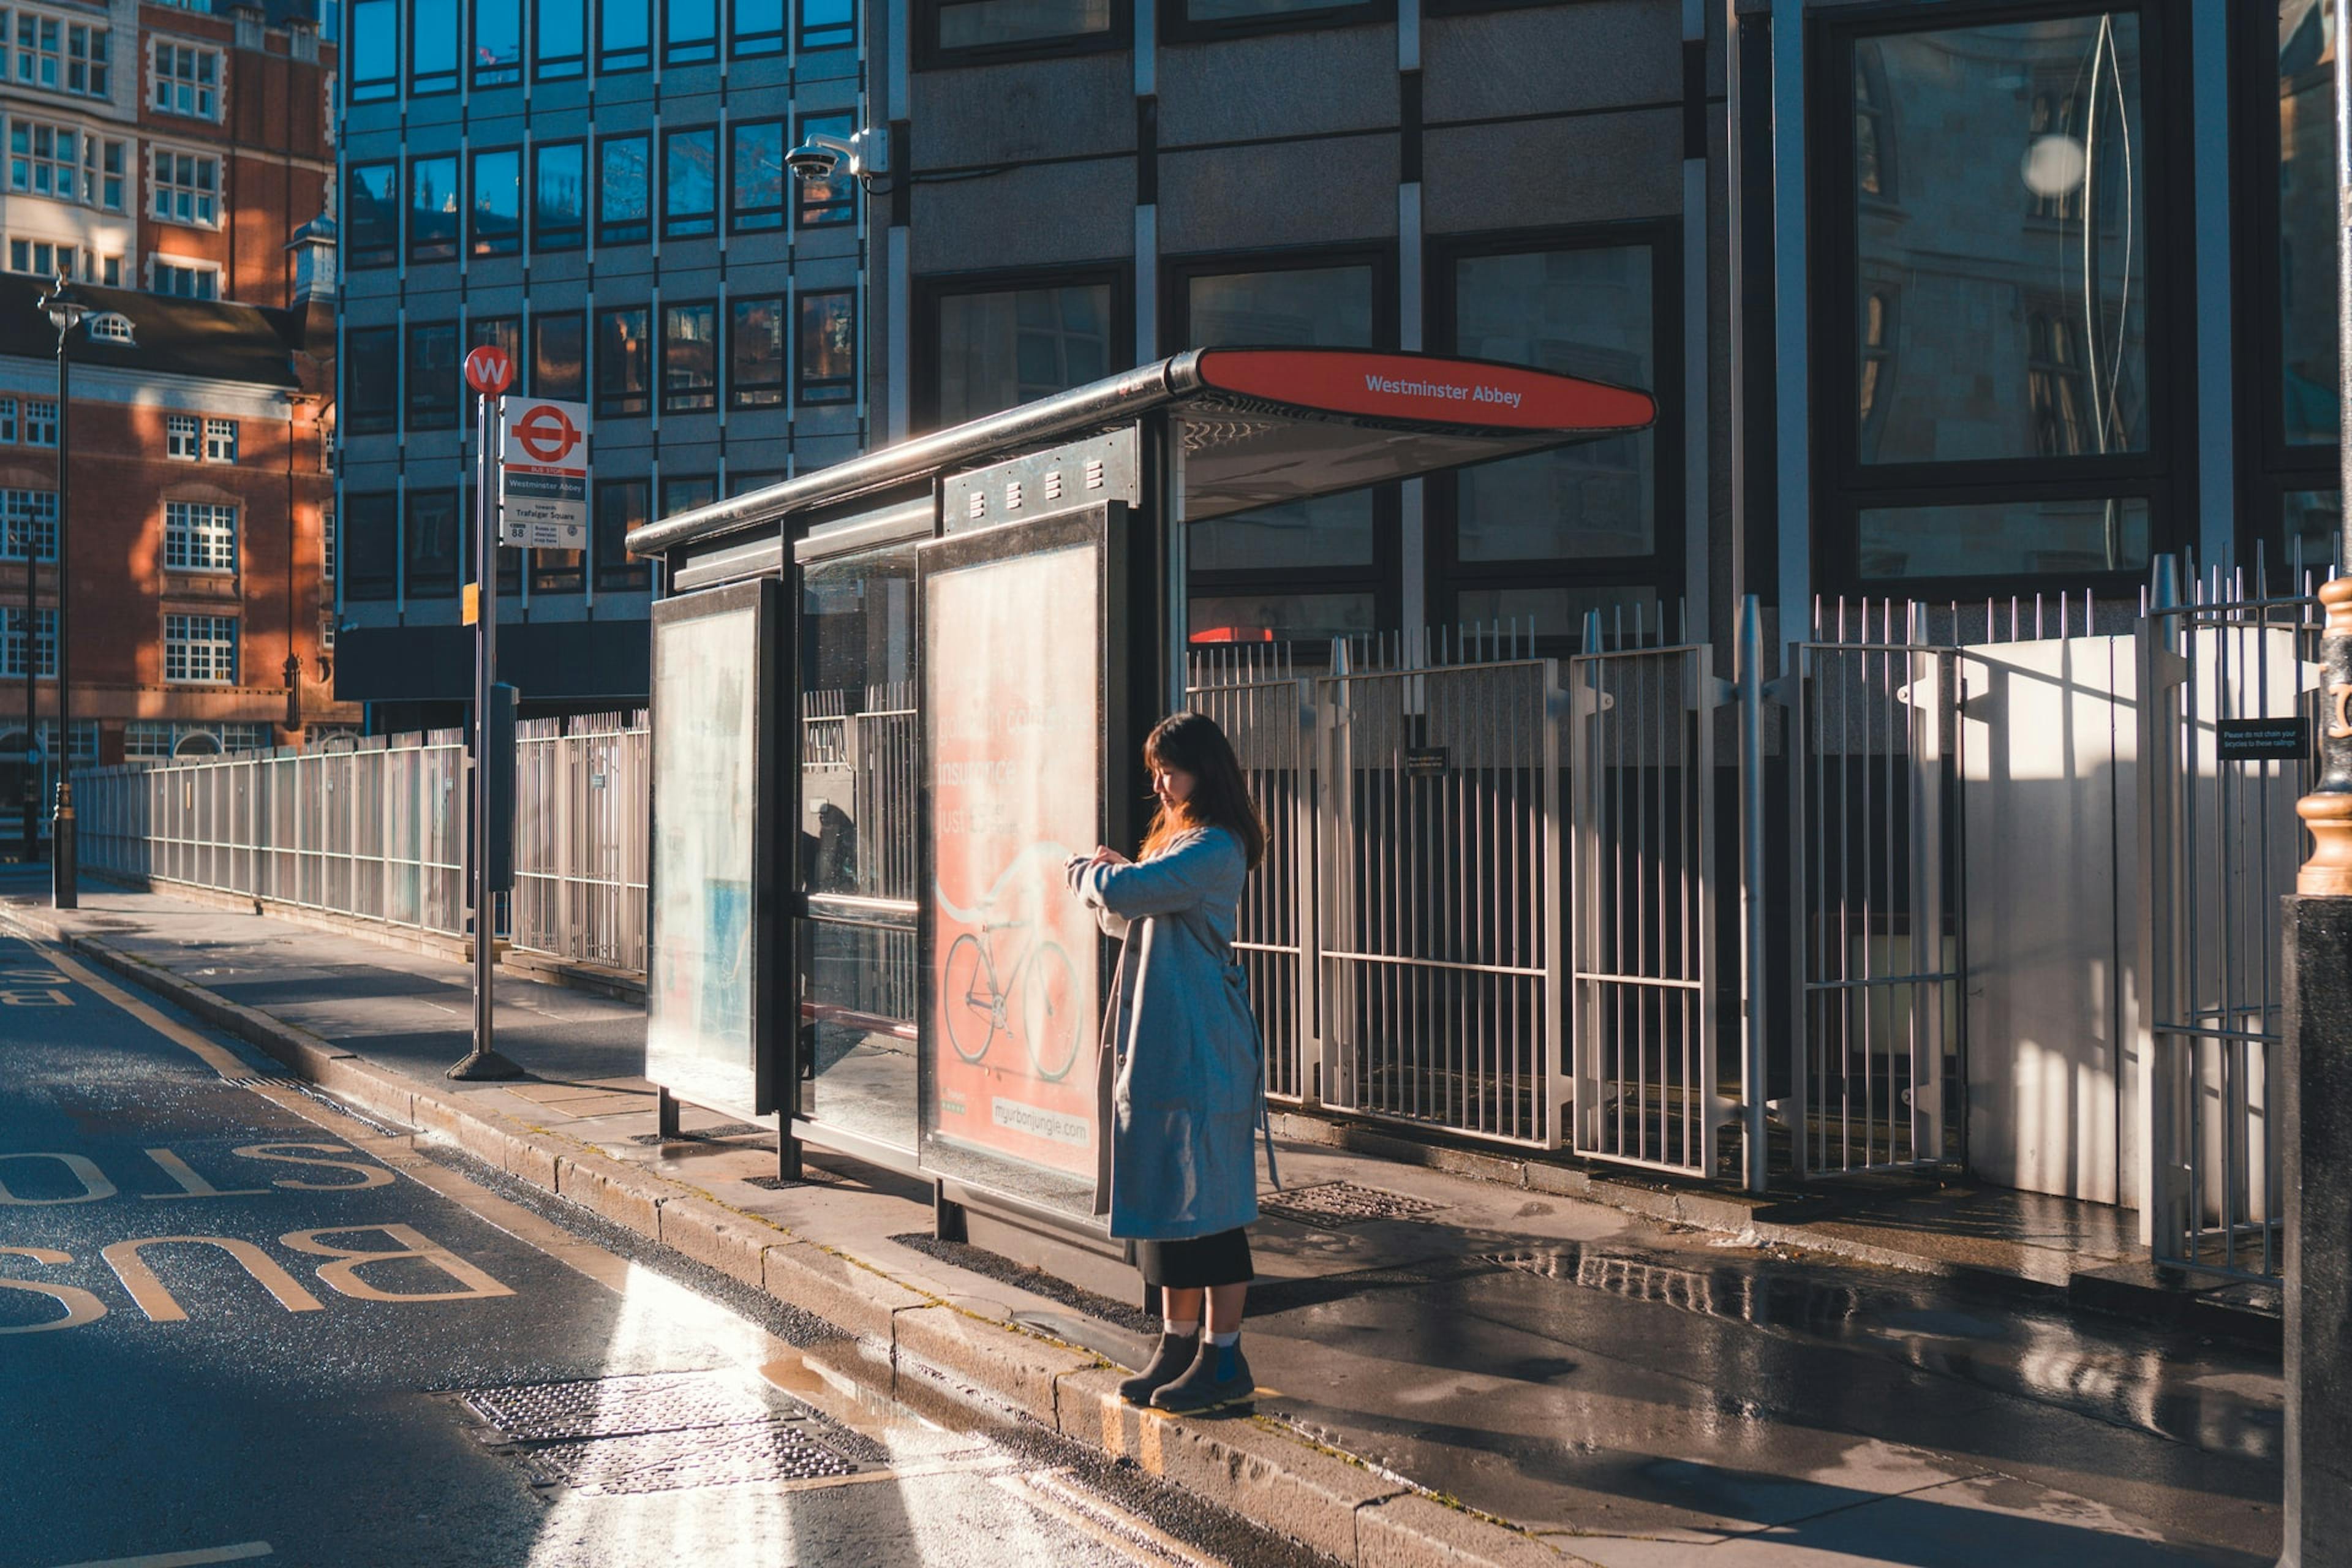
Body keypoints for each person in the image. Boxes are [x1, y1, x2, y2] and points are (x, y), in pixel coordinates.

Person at [1065, 710, 1271, 1415]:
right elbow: (1127, 914)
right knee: (1165, 1197)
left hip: (1202, 1046)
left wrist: (1090, 872)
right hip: (1163, 1043)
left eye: (1170, 769)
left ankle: (1224, 1355)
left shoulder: (1215, 844)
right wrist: (1112, 883)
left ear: (1204, 772)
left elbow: (1123, 895)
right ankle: (1177, 1343)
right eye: (1156, 768)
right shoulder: (1181, 842)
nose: (1159, 782)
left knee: (1210, 1206)